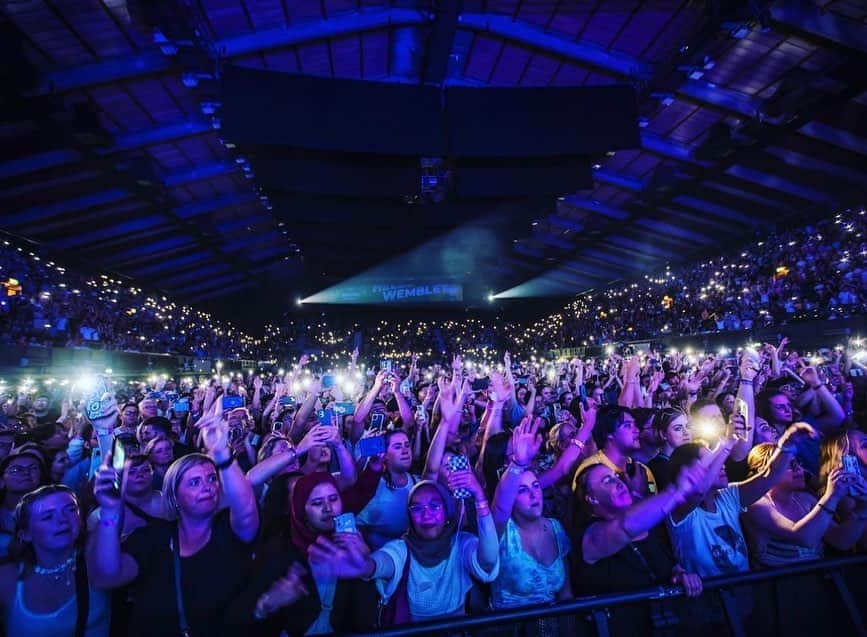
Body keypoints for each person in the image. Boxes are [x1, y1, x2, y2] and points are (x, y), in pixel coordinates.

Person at [87, 413, 259, 637]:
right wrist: (110, 510)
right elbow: (105, 577)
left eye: (212, 479)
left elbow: (245, 507)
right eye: (194, 482)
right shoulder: (150, 539)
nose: (207, 487)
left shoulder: (228, 532)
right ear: (174, 495)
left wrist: (221, 454)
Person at [307, 476, 499, 625]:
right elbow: (383, 563)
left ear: (447, 511)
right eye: (416, 508)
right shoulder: (402, 547)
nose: (426, 514)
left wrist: (480, 500)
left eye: (434, 506)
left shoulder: (461, 543)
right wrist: (365, 567)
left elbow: (488, 560)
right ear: (409, 516)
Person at [570, 459, 705, 635]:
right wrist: (675, 491)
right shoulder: (590, 535)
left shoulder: (648, 526)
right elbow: (625, 526)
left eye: (616, 477)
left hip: (666, 625)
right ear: (592, 498)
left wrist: (679, 574)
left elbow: (663, 565)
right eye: (607, 481)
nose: (618, 482)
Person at [666, 422, 817, 578]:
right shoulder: (679, 508)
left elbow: (768, 478)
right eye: (712, 461)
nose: (722, 465)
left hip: (744, 592)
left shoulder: (727, 495)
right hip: (708, 597)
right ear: (690, 472)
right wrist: (726, 444)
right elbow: (698, 490)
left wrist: (786, 444)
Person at [489, 417, 571, 633]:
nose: (534, 494)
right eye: (522, 490)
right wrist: (517, 463)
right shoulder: (501, 530)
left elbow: (565, 593)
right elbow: (499, 509)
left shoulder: (555, 528)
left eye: (536, 486)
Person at [0, 484, 110, 636]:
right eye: (47, 516)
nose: (62, 520)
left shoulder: (98, 559)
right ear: (25, 534)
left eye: (71, 510)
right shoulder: (6, 578)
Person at [742, 443, 867, 567]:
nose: (799, 469)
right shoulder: (757, 504)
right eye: (790, 464)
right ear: (764, 470)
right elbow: (804, 538)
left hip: (816, 578)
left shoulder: (805, 499)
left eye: (798, 463)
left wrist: (863, 507)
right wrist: (832, 496)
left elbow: (841, 541)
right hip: (780, 582)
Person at [573, 406, 657, 500]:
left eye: (635, 425)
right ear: (609, 434)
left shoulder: (642, 470)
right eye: (627, 425)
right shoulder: (590, 471)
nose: (636, 430)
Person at [356, 430, 419, 550]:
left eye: (407, 445)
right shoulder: (373, 487)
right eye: (397, 447)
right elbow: (357, 527)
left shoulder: (417, 484)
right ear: (384, 455)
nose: (405, 450)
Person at [647, 408, 691, 492]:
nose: (686, 432)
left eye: (688, 426)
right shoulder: (657, 467)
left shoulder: (690, 460)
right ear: (663, 434)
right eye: (678, 428)